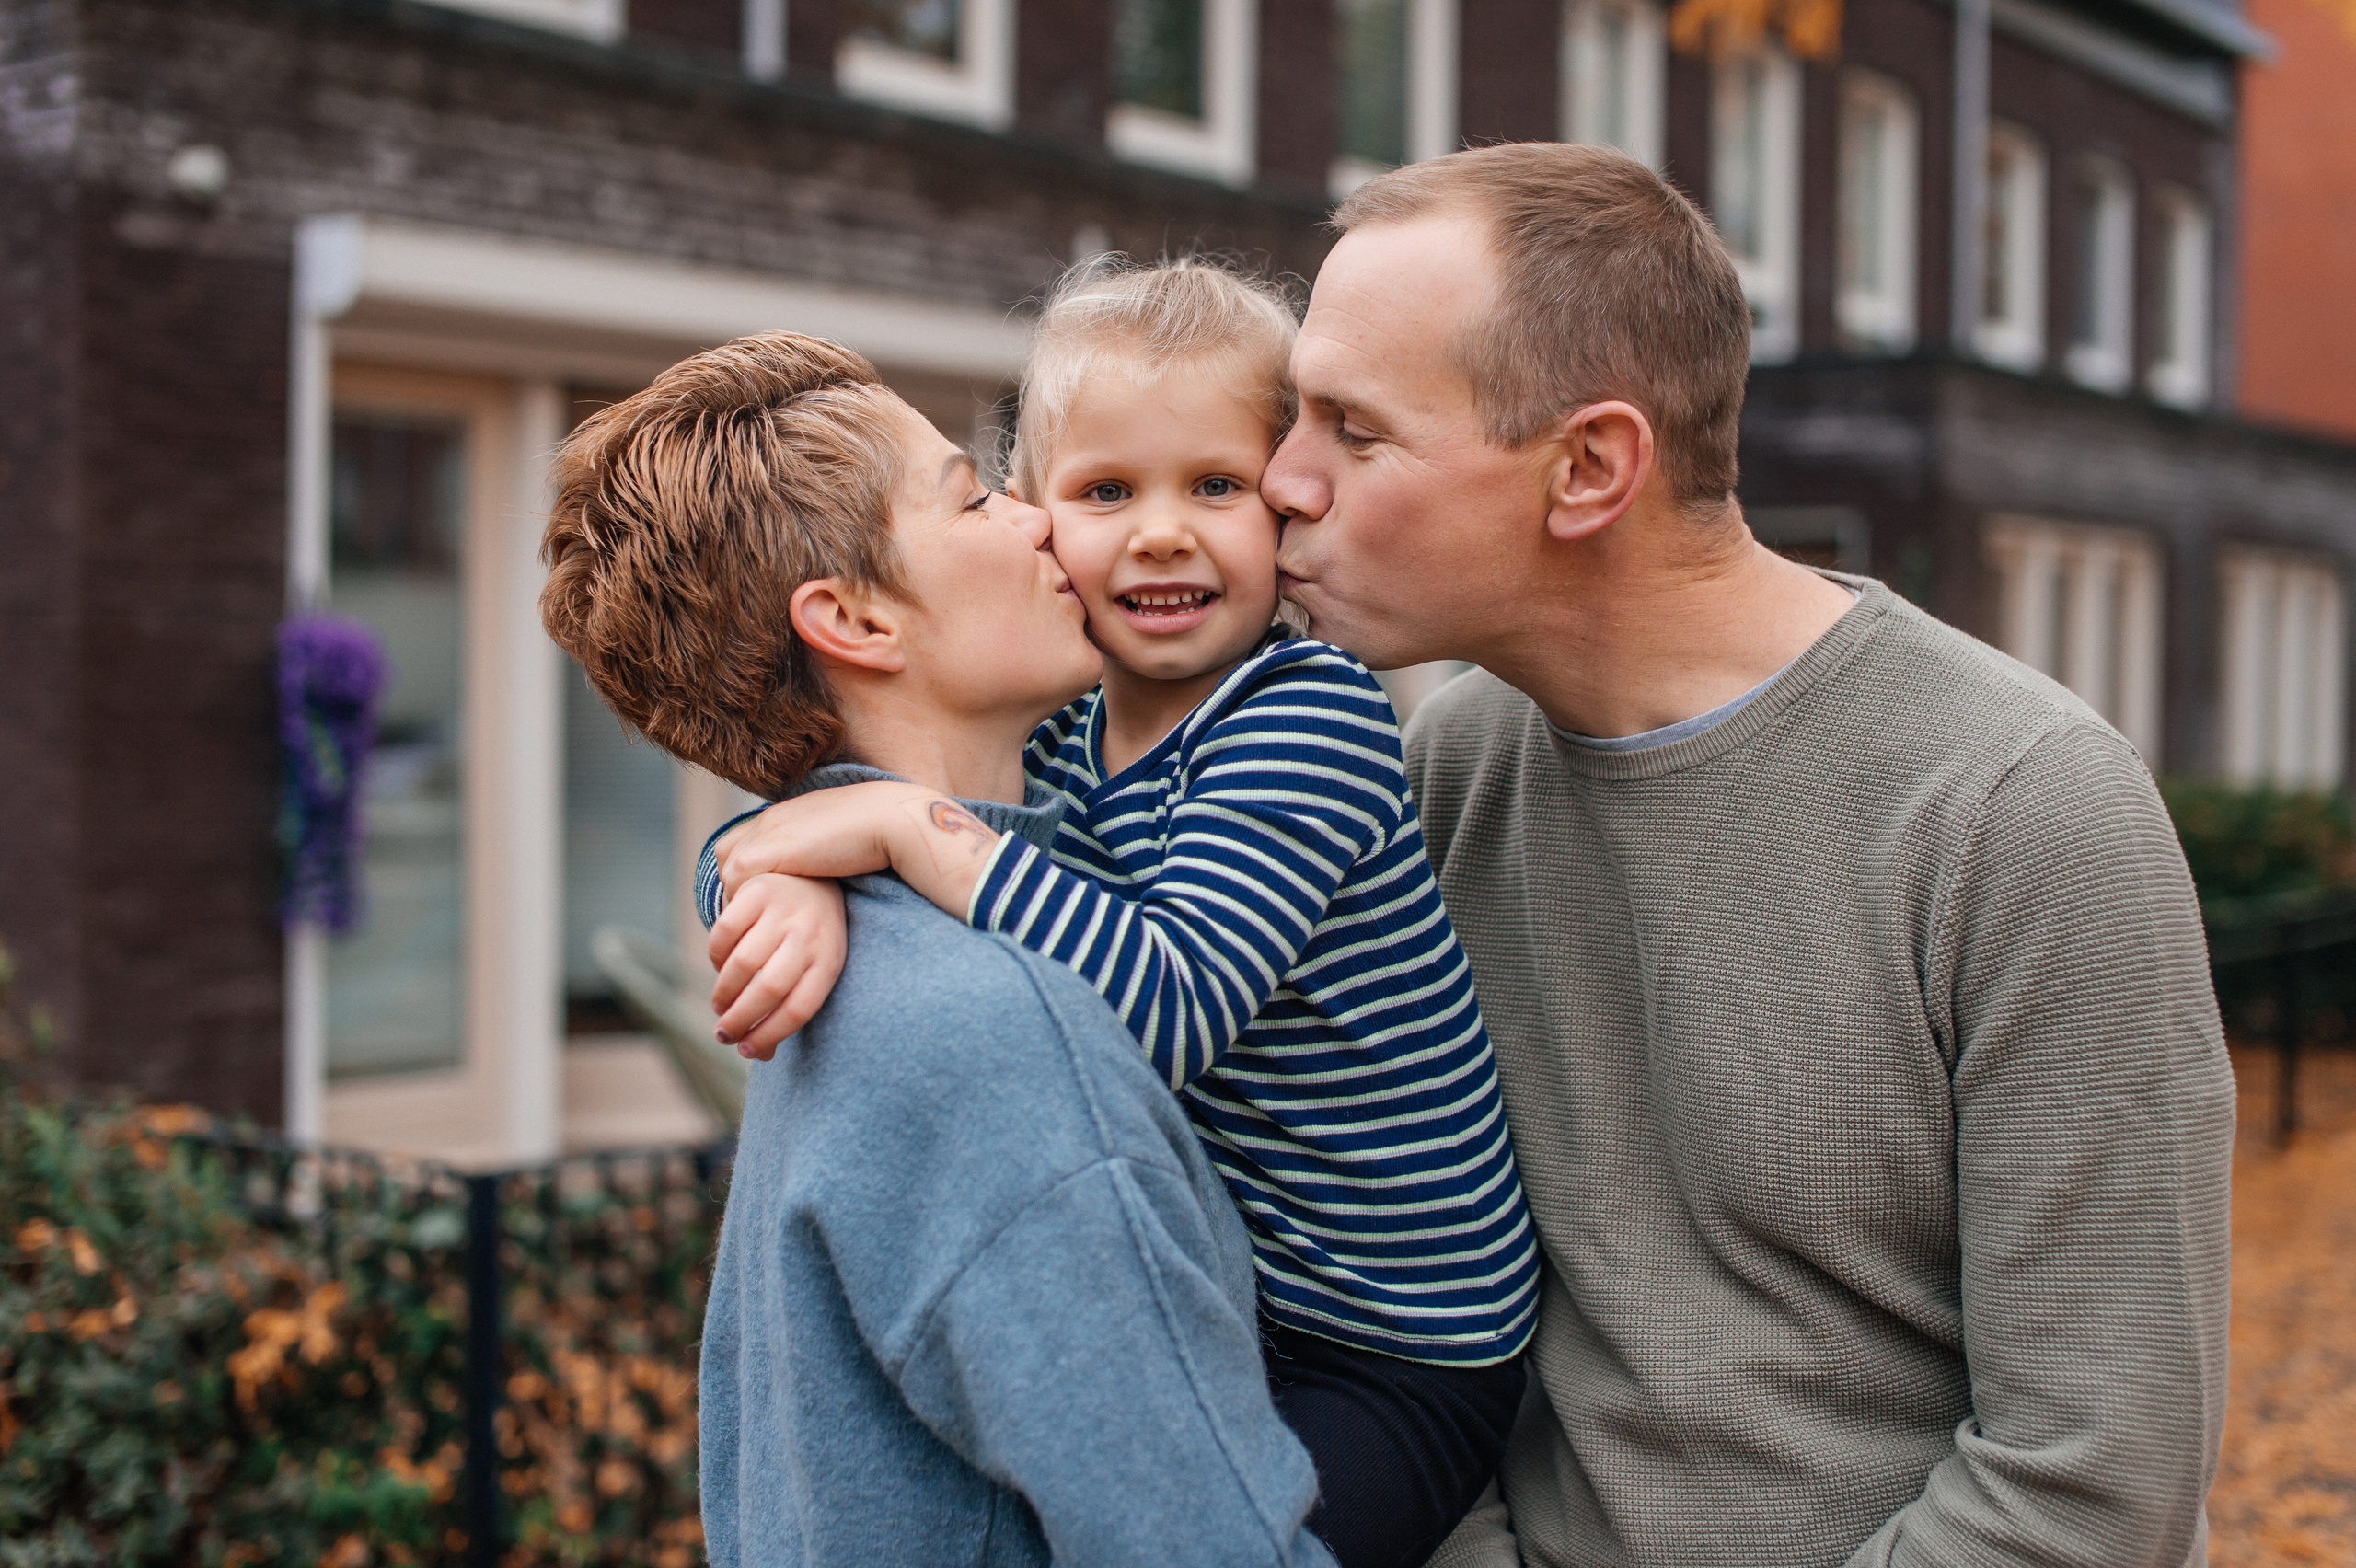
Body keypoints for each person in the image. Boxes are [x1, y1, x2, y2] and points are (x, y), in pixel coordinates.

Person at [1256, 140, 2235, 1568]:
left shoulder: (2021, 812)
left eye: (1352, 430)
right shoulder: (1430, 781)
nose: (1279, 480)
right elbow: (1377, 1310)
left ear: (1589, 467)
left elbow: (2091, 1486)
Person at [700, 259, 1537, 1568]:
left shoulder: (1307, 715)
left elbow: (1162, 1003)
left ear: (1287, 507)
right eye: (1105, 493)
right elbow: (829, 816)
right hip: (1238, 1294)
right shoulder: (1071, 726)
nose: (1160, 532)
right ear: (1040, 523)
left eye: (1216, 485)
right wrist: (790, 880)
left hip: (1396, 1343)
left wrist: (894, 835)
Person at [537, 330, 1336, 1568]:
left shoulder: (862, 949)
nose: (1033, 517)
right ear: (853, 617)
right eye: (969, 496)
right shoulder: (993, 1036)